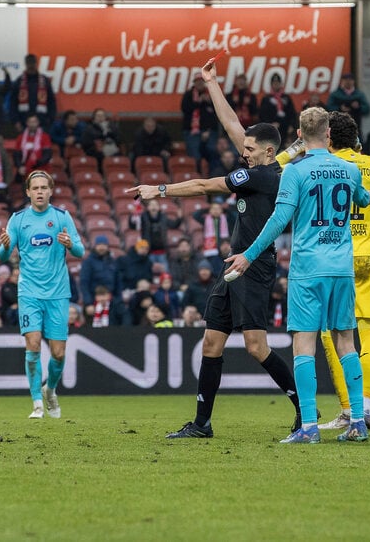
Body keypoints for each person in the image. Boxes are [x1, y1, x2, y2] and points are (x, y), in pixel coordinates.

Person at [130, 59, 303, 440]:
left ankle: (304, 409)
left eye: (252, 150)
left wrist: (159, 190)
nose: (245, 152)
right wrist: (211, 84)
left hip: (253, 265)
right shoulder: (264, 164)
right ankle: (202, 424)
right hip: (233, 267)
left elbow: (205, 186)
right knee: (211, 342)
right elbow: (232, 127)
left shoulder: (261, 176)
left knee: (256, 347)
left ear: (270, 153)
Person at [225, 106, 370, 444]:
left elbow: (278, 221)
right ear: (330, 134)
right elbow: (362, 199)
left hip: (308, 269)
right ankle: (358, 423)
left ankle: (308, 427)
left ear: (301, 137)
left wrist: (248, 255)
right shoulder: (350, 169)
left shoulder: (295, 171)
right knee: (347, 342)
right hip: (342, 268)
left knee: (304, 345)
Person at [318, 112, 370, 432]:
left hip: (335, 257)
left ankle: (348, 409)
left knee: (329, 333)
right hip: (367, 257)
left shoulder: (323, 166)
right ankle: (366, 407)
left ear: (329, 139)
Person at [0, 171, 84, 419]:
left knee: (58, 353)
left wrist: (70, 244)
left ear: (50, 191)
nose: (39, 192)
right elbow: (2, 256)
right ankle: (36, 402)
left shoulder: (61, 217)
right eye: (34, 188)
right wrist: (5, 246)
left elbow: (80, 250)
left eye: (43, 188)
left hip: (57, 293)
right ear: (27, 192)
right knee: (33, 344)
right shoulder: (18, 219)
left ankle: (50, 389)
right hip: (29, 293)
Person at [10, 54, 57, 137]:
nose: (31, 66)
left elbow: (51, 102)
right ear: (25, 64)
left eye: (33, 63)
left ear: (36, 64)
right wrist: (16, 121)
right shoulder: (19, 81)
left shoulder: (45, 81)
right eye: (29, 63)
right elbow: (13, 103)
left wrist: (50, 120)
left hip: (43, 123)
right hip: (23, 123)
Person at [181, 72, 219, 168]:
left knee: (212, 155)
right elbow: (185, 109)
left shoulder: (211, 93)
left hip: (209, 131)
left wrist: (209, 102)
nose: (199, 84)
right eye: (197, 82)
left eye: (201, 81)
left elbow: (217, 113)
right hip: (192, 131)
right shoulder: (188, 95)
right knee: (195, 156)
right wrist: (199, 102)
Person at [326, 73, 370, 139]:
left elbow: (367, 109)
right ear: (342, 81)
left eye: (350, 80)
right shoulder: (335, 94)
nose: (348, 82)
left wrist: (358, 107)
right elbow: (328, 108)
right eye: (346, 80)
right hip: (338, 128)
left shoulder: (359, 94)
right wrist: (340, 108)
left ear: (353, 81)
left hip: (355, 127)